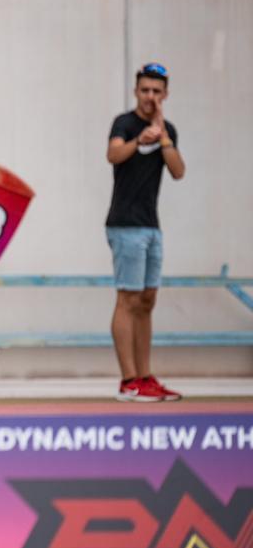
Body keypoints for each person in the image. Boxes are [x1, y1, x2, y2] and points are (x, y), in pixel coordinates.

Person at [105, 62, 186, 402]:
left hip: (151, 225)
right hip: (125, 224)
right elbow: (113, 154)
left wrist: (163, 137)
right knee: (128, 299)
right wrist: (139, 139)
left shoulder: (168, 129)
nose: (150, 96)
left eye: (156, 91)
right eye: (145, 90)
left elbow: (178, 171)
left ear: (164, 94)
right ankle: (128, 381)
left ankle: (145, 376)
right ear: (136, 91)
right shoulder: (124, 124)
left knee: (147, 301)